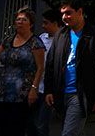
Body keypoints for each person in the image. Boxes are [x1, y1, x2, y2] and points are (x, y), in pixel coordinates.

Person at [43, 0, 95, 136]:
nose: (64, 17)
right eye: (62, 13)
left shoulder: (94, 36)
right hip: (61, 93)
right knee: (75, 131)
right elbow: (50, 64)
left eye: (68, 13)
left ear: (80, 12)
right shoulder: (61, 35)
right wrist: (49, 89)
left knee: (68, 133)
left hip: (80, 94)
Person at [0, 7, 45, 136]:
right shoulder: (8, 40)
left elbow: (40, 67)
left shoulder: (35, 43)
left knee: (16, 127)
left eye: (24, 20)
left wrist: (34, 88)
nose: (19, 22)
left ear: (30, 24)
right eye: (18, 19)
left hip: (22, 92)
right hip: (3, 91)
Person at [29, 8, 62, 136]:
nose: (43, 26)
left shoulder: (64, 41)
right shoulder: (42, 38)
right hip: (37, 85)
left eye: (46, 23)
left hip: (49, 88)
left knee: (41, 123)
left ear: (55, 23)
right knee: (31, 122)